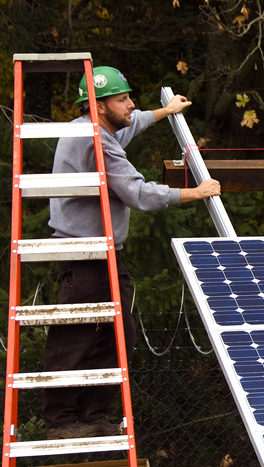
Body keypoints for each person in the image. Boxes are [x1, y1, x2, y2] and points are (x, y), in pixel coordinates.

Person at [44, 66, 221, 440]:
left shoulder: (99, 129)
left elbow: (130, 124)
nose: (130, 104)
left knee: (116, 333)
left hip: (107, 252)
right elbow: (137, 193)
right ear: (99, 105)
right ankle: (61, 420)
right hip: (84, 252)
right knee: (76, 336)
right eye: (122, 98)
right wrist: (195, 192)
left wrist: (165, 110)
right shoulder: (95, 142)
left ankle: (92, 414)